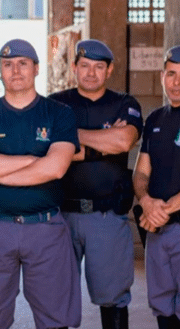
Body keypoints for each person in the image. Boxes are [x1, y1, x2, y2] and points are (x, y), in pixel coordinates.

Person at [0, 39, 81, 329]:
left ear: (36, 68)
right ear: (0, 71)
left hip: (46, 228)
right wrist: (33, 159)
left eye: (23, 63)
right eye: (7, 64)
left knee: (55, 318)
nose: (15, 70)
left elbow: (57, 167)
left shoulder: (59, 113)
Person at [49, 39, 143, 329]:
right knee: (56, 295)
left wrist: (72, 137)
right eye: (85, 66)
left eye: (98, 67)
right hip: (60, 216)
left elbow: (124, 140)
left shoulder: (125, 103)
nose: (91, 73)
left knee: (113, 296)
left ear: (110, 70)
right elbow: (49, 150)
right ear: (74, 68)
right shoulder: (55, 104)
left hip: (106, 216)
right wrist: (102, 142)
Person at [133, 45, 180, 329]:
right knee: (162, 305)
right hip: (158, 230)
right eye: (172, 74)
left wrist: (166, 207)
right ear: (163, 76)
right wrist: (147, 202)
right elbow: (141, 171)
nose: (177, 83)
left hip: (167, 218)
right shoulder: (155, 120)